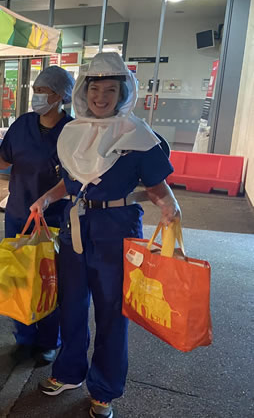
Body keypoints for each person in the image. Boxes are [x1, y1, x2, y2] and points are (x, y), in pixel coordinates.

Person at [30, 53, 181, 418]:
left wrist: (171, 210)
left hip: (118, 231)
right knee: (72, 304)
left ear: (122, 92)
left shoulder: (138, 135)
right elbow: (71, 183)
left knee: (114, 311)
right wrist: (46, 198)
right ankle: (68, 373)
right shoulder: (73, 133)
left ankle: (105, 389)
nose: (101, 97)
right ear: (84, 92)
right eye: (95, 89)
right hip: (75, 229)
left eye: (110, 89)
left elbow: (157, 186)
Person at [0, 66, 75, 365]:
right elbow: (6, 161)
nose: (36, 97)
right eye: (35, 91)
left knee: (48, 281)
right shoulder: (23, 124)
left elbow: (73, 178)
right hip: (19, 213)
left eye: (43, 92)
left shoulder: (72, 132)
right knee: (19, 278)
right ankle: (24, 337)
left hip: (54, 220)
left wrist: (47, 200)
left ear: (60, 96)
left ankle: (48, 341)